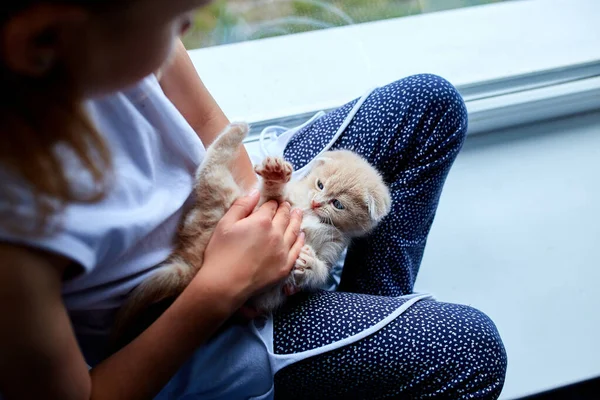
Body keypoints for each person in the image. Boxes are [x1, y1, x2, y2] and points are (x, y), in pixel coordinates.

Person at [0, 1, 507, 399]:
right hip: (195, 328)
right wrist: (224, 287)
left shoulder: (105, 32)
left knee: (431, 105)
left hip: (245, 211)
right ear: (47, 38)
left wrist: (271, 212)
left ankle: (356, 316)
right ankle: (341, 344)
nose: (187, 29)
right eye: (178, 21)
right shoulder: (15, 233)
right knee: (472, 351)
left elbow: (206, 125)